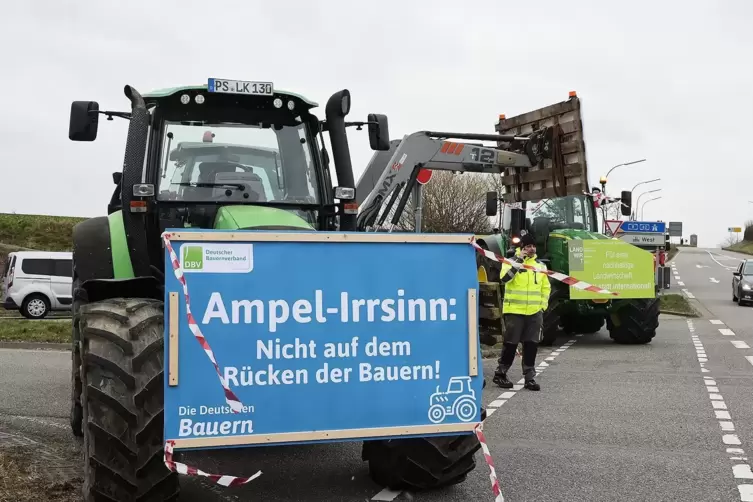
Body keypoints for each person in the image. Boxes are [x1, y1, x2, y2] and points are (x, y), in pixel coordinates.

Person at [492, 232, 551, 391]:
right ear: (521, 248)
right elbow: (505, 279)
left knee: (532, 345)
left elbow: (546, 288)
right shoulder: (510, 262)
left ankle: (529, 378)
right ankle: (501, 373)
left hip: (534, 312)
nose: (531, 249)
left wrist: (542, 306)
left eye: (532, 246)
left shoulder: (540, 266)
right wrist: (518, 262)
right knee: (511, 344)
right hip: (514, 311)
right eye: (527, 246)